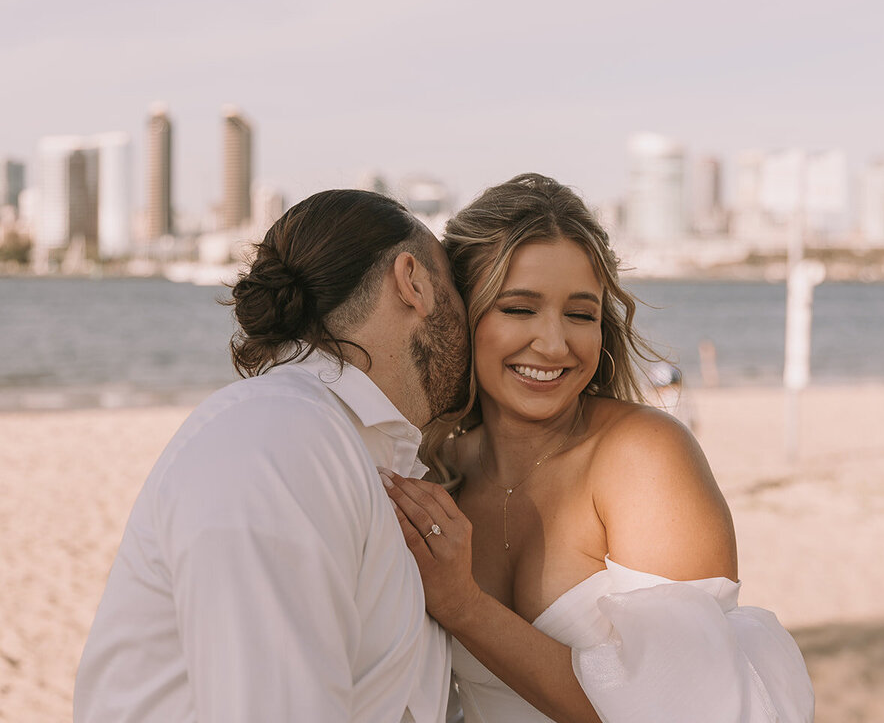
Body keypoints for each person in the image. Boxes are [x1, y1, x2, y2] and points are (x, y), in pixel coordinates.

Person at [383, 174, 814, 722]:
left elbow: (681, 708)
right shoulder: (435, 470)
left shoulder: (642, 455)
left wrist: (464, 607)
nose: (555, 342)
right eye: (519, 308)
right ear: (463, 314)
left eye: (580, 314)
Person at [75, 189, 471, 722]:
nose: (471, 321)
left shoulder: (344, 445)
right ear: (414, 282)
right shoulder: (281, 438)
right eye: (456, 287)